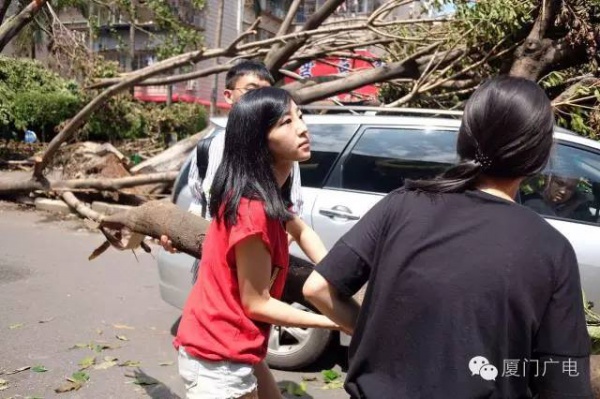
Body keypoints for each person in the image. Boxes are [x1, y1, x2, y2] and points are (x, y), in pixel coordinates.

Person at [302, 76, 593, 398]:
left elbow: (318, 288)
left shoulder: (402, 204)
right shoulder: (550, 247)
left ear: (464, 138)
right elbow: (564, 383)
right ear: (540, 153)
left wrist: (374, 335)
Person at [174, 87, 340, 399]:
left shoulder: (268, 196)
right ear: (257, 139)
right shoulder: (252, 210)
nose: (303, 127)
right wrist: (335, 321)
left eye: (300, 116)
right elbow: (257, 302)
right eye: (285, 122)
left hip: (238, 346)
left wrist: (335, 277)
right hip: (218, 357)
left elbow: (303, 232)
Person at [160, 60, 303, 254]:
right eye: (251, 91)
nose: (258, 101)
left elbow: (294, 213)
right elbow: (200, 204)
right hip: (212, 260)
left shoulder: (281, 149)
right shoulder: (207, 148)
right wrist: (179, 237)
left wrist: (266, 254)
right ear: (228, 95)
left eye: (265, 93)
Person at [522, 173, 596, 223]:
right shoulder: (534, 203)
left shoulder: (564, 207)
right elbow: (554, 224)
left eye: (570, 189)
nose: (563, 191)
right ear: (549, 180)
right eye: (560, 183)